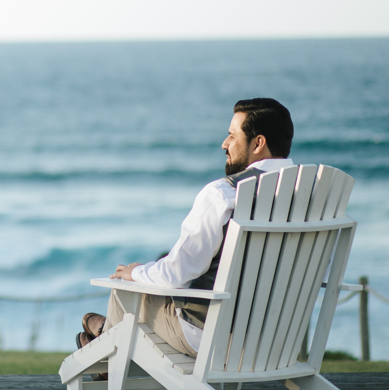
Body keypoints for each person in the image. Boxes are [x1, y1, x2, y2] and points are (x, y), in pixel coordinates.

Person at [75, 98, 296, 359]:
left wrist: (137, 272)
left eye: (232, 136)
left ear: (258, 143)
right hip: (277, 340)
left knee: (125, 290)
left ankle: (103, 351)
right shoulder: (312, 197)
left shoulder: (223, 193)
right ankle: (104, 338)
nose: (224, 144)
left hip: (214, 339)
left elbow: (175, 274)